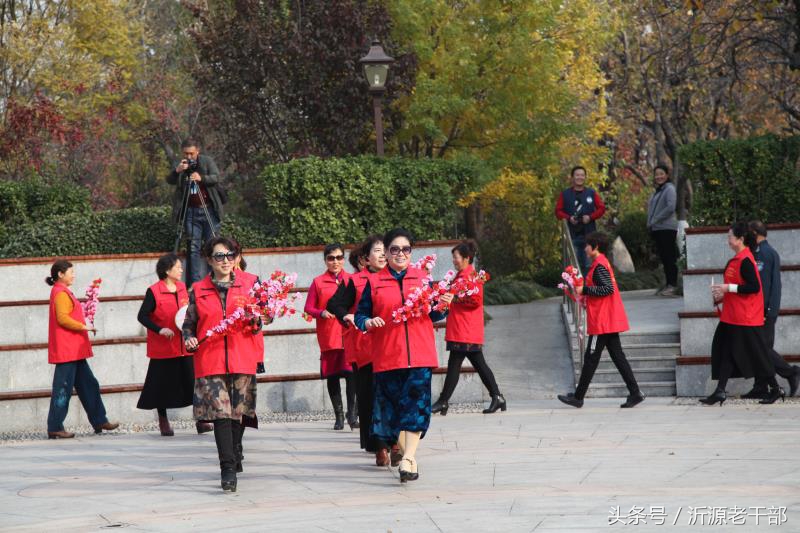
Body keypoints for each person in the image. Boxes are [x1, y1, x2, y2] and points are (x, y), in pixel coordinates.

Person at [355, 228, 454, 483]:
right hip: (388, 356)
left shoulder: (422, 279)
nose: (400, 254)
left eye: (406, 249)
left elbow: (433, 315)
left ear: (411, 252)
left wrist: (444, 304)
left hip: (420, 355)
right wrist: (368, 322)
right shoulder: (374, 283)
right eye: (395, 249)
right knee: (392, 414)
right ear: (386, 253)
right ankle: (409, 456)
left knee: (416, 408)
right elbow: (360, 315)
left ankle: (409, 458)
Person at [183, 237, 260, 492]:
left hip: (242, 357)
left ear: (236, 257)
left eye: (230, 255)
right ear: (209, 260)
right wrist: (189, 339)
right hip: (210, 361)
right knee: (221, 415)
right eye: (219, 256)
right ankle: (227, 469)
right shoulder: (198, 290)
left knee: (238, 413)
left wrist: (259, 319)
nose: (225, 260)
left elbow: (262, 318)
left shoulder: (250, 285)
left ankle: (236, 450)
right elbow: (188, 325)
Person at [557, 232, 645, 409]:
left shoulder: (600, 266)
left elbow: (607, 289)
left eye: (588, 245)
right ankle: (635, 393)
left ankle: (578, 397)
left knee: (591, 358)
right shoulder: (601, 263)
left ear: (595, 246)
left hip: (603, 321)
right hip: (607, 319)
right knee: (617, 357)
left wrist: (585, 290)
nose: (585, 248)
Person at [327, 235, 392, 466]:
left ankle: (394, 441)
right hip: (365, 348)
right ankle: (380, 446)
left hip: (393, 347)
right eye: (378, 251)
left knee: (392, 396)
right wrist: (347, 315)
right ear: (366, 258)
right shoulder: (356, 281)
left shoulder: (397, 278)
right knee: (370, 398)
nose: (383, 254)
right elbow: (334, 304)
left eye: (386, 250)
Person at [701, 222, 783, 406]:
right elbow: (738, 288)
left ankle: (776, 389)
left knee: (759, 355)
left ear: (740, 239)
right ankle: (720, 391)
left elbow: (753, 287)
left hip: (745, 318)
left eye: (730, 236)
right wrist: (721, 294)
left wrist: (727, 287)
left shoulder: (746, 260)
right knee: (727, 353)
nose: (728, 240)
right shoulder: (738, 259)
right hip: (733, 316)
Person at [45, 260, 119, 439]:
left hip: (74, 350)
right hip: (67, 350)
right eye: (71, 272)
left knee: (89, 385)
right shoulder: (60, 292)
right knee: (63, 389)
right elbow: (62, 318)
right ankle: (55, 426)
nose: (74, 275)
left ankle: (99, 420)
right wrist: (84, 327)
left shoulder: (63, 291)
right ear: (60, 274)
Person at [432, 239, 506, 416]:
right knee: (476, 364)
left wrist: (454, 299)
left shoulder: (471, 277)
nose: (454, 260)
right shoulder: (462, 276)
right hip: (462, 327)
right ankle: (497, 396)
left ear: (467, 258)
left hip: (465, 329)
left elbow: (475, 300)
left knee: (456, 364)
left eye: (456, 257)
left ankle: (443, 401)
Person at [136, 254, 200, 436]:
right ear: (166, 271)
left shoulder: (182, 289)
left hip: (185, 346)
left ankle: (201, 419)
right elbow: (142, 316)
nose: (181, 270)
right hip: (163, 349)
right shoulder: (154, 291)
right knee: (161, 386)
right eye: (178, 267)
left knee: (193, 383)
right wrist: (159, 329)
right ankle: (163, 421)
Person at [741, 221, 799, 398]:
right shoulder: (762, 252)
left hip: (763, 311)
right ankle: (760, 386)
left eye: (748, 233)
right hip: (763, 310)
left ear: (755, 233)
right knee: (760, 348)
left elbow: (765, 286)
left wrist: (766, 311)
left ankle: (790, 372)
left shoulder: (763, 254)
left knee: (761, 348)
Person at [305, 243, 356, 431]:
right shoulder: (318, 282)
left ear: (344, 258)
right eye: (331, 258)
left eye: (339, 257)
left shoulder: (352, 279)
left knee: (352, 376)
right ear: (325, 260)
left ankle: (352, 414)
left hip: (349, 332)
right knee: (332, 376)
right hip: (329, 335)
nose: (335, 261)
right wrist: (321, 313)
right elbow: (308, 307)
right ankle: (339, 416)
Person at [167, 139, 224, 285]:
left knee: (213, 246)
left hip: (208, 210)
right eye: (186, 153)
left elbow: (216, 177)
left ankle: (215, 281)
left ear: (197, 151)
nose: (189, 156)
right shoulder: (182, 164)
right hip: (190, 212)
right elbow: (169, 180)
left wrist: (201, 178)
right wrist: (177, 171)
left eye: (191, 153)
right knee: (193, 248)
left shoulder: (206, 161)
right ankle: (195, 285)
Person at [555, 166, 606, 273]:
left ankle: (589, 288)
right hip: (572, 235)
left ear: (585, 177)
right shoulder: (565, 194)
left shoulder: (591, 193)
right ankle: (577, 289)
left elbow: (601, 208)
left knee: (589, 265)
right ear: (572, 177)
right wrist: (569, 218)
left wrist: (590, 217)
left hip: (589, 236)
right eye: (577, 175)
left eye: (582, 175)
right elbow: (558, 212)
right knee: (574, 267)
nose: (580, 177)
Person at [646, 164, 679, 296]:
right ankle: (668, 284)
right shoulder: (658, 190)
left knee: (669, 257)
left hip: (667, 228)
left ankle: (673, 285)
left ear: (667, 175)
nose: (659, 176)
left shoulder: (669, 189)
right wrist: (650, 222)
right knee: (664, 258)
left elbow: (670, 207)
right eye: (656, 174)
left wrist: (655, 220)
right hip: (658, 229)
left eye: (661, 173)